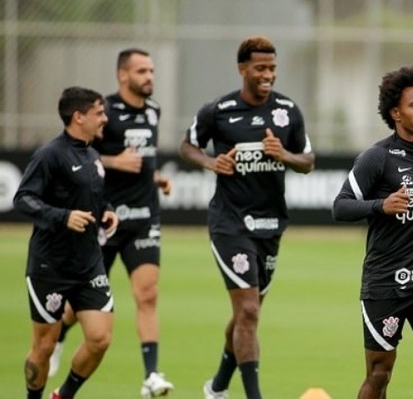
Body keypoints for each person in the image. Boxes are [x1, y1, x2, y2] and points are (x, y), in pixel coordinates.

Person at [179, 35, 315, 399]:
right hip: (230, 223)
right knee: (250, 311)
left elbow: (307, 161)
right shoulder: (218, 110)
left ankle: (217, 388)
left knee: (246, 315)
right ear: (242, 69)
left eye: (272, 68)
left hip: (271, 225)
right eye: (260, 68)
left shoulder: (288, 110)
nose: (268, 75)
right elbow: (187, 146)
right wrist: (211, 162)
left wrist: (283, 154)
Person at [49, 49, 174, 398]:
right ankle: (58, 337)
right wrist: (114, 161)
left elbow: (144, 160)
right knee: (81, 302)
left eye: (151, 70)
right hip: (106, 219)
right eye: (142, 71)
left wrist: (156, 179)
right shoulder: (105, 112)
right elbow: (78, 154)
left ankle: (151, 376)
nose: (149, 76)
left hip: (144, 217)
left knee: (147, 293)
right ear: (123, 75)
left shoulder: (154, 110)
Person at [332, 66, 413, 399]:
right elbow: (340, 206)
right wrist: (381, 206)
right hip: (385, 281)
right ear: (395, 113)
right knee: (379, 374)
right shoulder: (377, 157)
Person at [14, 86, 118, 399]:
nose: (105, 118)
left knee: (100, 339)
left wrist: (107, 211)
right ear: (78, 117)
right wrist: (63, 217)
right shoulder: (50, 155)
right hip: (51, 266)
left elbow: (93, 196)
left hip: (88, 264)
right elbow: (23, 198)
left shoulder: (92, 154)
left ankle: (63, 395)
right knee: (44, 347)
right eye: (99, 113)